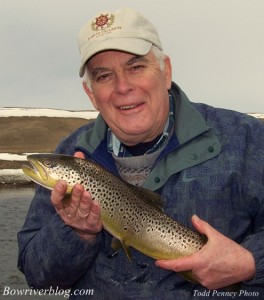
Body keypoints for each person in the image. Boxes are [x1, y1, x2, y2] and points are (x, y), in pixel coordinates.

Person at [17, 8, 264, 299]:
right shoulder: (72, 153)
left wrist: (250, 263)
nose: (123, 87)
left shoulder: (248, 139)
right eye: (105, 75)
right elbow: (38, 277)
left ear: (166, 71)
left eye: (136, 67)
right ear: (91, 94)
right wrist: (76, 233)